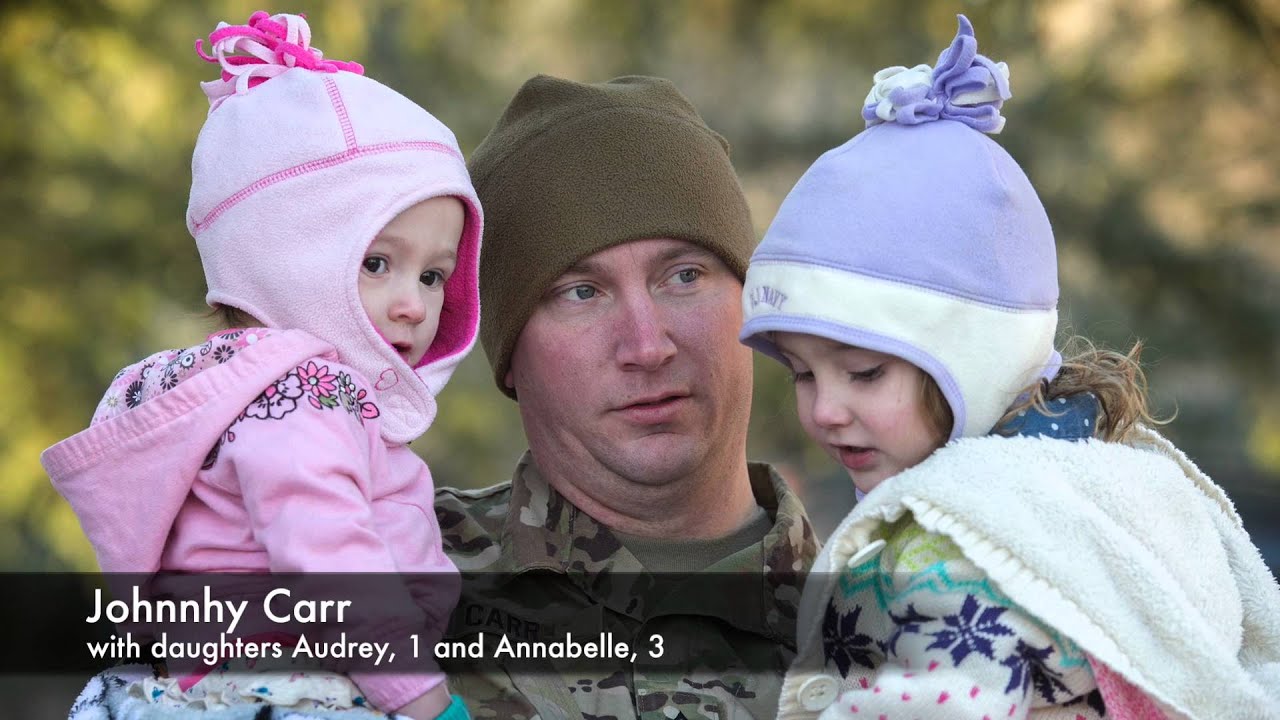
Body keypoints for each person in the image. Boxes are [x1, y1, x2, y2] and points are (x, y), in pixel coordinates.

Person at [738, 16, 1280, 720]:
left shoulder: (953, 554)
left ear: (976, 359)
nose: (824, 410)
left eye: (864, 372)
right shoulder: (1109, 482)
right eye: (803, 374)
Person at [42, 11, 481, 720]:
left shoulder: (219, 386)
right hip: (288, 686)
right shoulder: (304, 396)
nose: (414, 304)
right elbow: (328, 559)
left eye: (434, 276)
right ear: (285, 259)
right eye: (377, 263)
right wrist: (424, 698)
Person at [432, 74, 820, 719]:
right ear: (508, 354)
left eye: (685, 276)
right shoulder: (379, 574)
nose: (647, 345)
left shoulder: (911, 614)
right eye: (581, 292)